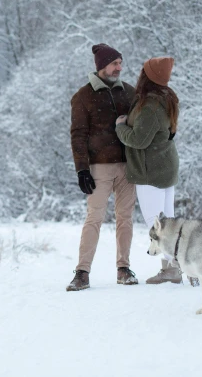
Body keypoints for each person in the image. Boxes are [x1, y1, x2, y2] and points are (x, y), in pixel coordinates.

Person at [66, 43, 138, 291]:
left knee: (125, 219)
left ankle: (123, 269)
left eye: (120, 63)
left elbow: (143, 124)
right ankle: (82, 272)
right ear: (101, 66)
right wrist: (82, 169)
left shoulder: (129, 92)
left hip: (128, 168)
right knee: (94, 218)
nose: (119, 67)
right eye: (114, 63)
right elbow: (78, 135)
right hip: (99, 168)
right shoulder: (83, 96)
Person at [115, 57, 183, 284]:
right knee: (168, 221)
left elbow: (139, 140)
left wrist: (120, 127)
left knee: (156, 223)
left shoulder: (151, 106)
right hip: (165, 166)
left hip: (151, 170)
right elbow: (169, 133)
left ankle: (175, 268)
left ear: (147, 76)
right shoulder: (168, 97)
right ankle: (176, 267)